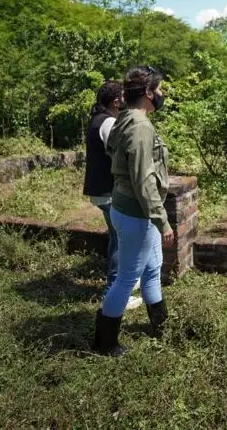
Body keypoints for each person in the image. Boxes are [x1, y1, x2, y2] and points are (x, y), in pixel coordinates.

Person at [93, 66, 173, 357]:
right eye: (160, 89)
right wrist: (161, 220)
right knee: (127, 277)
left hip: (130, 209)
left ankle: (161, 324)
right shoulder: (139, 125)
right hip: (137, 213)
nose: (162, 95)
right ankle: (104, 343)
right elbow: (143, 179)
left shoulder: (125, 118)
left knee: (152, 268)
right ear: (149, 93)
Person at [83, 81, 142, 311]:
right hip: (109, 192)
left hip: (102, 191)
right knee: (121, 241)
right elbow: (121, 155)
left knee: (119, 238)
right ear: (117, 101)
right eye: (124, 96)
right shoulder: (108, 122)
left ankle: (123, 283)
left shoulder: (99, 119)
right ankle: (115, 292)